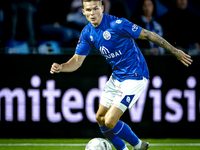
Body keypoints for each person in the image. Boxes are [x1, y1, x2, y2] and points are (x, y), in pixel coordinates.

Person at [50, 0, 192, 150]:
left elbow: (149, 35)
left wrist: (175, 51)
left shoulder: (117, 24)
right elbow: (77, 61)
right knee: (100, 118)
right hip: (117, 76)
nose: (93, 13)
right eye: (89, 10)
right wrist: (62, 66)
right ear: (83, 12)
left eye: (96, 9)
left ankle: (138, 146)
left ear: (102, 8)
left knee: (110, 121)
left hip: (135, 75)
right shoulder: (87, 32)